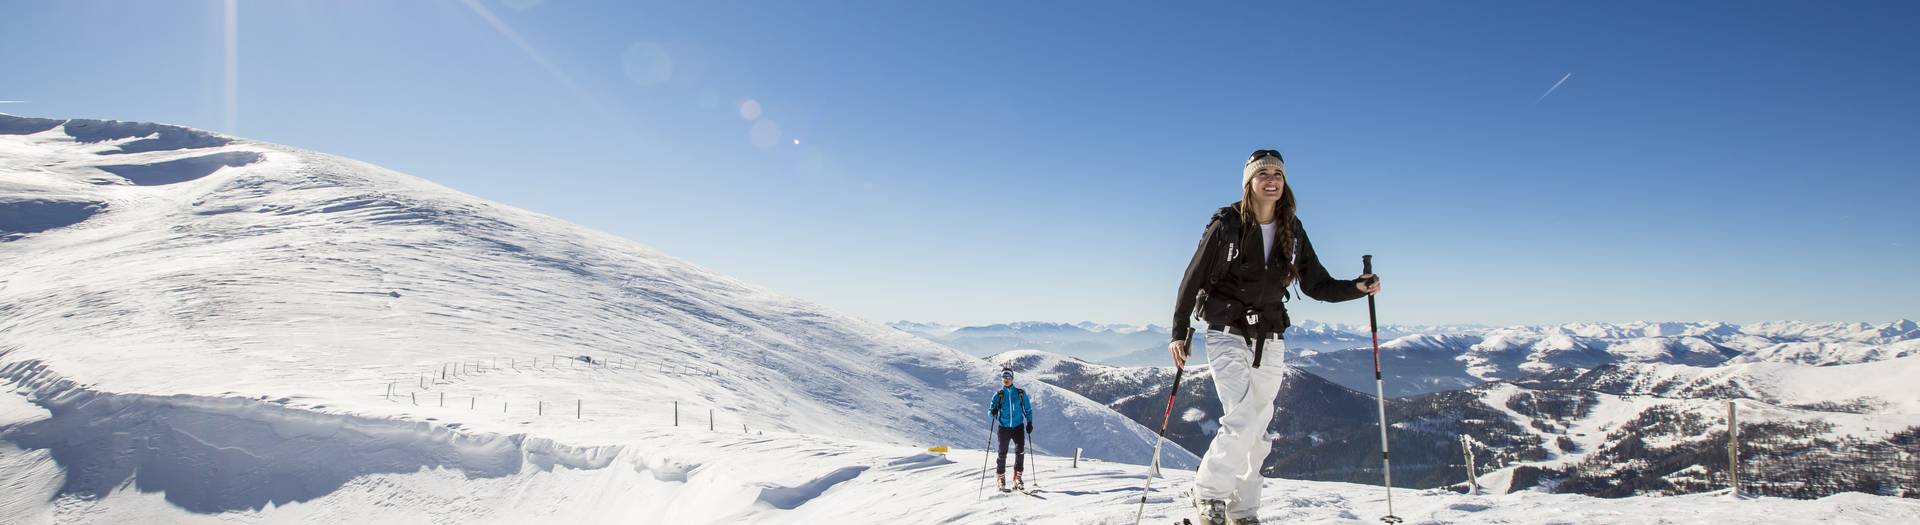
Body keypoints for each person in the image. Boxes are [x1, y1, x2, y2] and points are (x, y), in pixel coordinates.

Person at [1167, 149, 1382, 525]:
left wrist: (1357, 288)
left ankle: (1244, 509)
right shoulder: (1228, 224)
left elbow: (1318, 284)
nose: (1272, 180)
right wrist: (1178, 332)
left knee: (1259, 429)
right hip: (1226, 332)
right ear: (1248, 182)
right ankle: (1208, 494)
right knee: (1242, 418)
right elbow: (1193, 277)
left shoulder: (1292, 230)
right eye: (1263, 173)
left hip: (1271, 336)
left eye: (1278, 174)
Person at [986, 367, 1034, 492]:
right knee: (1002, 454)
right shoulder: (998, 395)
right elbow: (990, 413)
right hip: (1004, 428)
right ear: (1001, 379)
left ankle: (1017, 478)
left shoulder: (1020, 393)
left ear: (1012, 378)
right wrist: (993, 411)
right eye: (1004, 377)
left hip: (1018, 427)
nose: (1006, 379)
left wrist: (1029, 422)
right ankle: (1000, 478)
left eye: (1008, 377)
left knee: (1020, 451)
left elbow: (1028, 409)